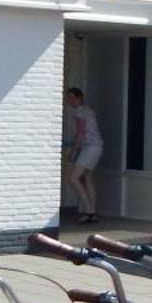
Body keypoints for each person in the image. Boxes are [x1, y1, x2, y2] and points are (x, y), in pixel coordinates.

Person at [64, 86, 103, 224]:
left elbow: (80, 133)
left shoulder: (80, 112)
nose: (69, 101)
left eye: (72, 98)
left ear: (80, 98)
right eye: (68, 98)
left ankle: (89, 211)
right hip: (96, 146)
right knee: (86, 178)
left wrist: (73, 152)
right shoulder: (88, 111)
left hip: (90, 147)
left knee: (73, 178)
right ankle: (91, 211)